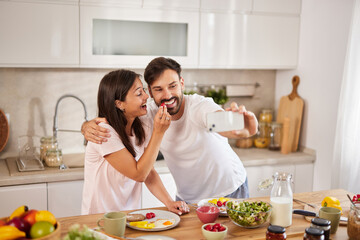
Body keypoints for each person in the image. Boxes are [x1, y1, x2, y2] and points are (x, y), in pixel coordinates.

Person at [82, 57, 258, 204]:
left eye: (173, 86)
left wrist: (244, 124)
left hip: (228, 191)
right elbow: (115, 121)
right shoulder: (147, 113)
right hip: (188, 199)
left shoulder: (199, 107)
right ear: (150, 92)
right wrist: (86, 126)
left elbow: (232, 128)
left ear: (182, 83)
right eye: (158, 89)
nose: (167, 95)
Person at [81, 69, 189, 215]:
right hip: (100, 220)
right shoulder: (104, 133)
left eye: (144, 90)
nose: (146, 96)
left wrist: (169, 202)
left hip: (129, 218)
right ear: (119, 104)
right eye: (139, 93)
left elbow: (149, 172)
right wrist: (158, 132)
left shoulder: (140, 126)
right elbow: (139, 174)